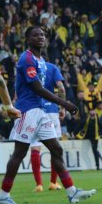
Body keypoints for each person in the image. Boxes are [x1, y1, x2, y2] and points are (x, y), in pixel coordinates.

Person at [0, 26, 96, 204]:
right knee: (20, 153)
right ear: (27, 38)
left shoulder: (40, 60)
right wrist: (63, 103)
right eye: (35, 34)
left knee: (56, 149)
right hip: (27, 111)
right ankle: (3, 195)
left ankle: (72, 192)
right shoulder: (26, 59)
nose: (40, 37)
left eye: (42, 34)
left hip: (40, 112)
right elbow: (37, 88)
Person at [29, 57, 67, 192]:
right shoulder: (52, 67)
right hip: (51, 110)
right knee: (54, 148)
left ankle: (39, 184)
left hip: (34, 109)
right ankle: (53, 182)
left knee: (35, 147)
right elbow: (61, 88)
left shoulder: (30, 67)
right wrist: (62, 107)